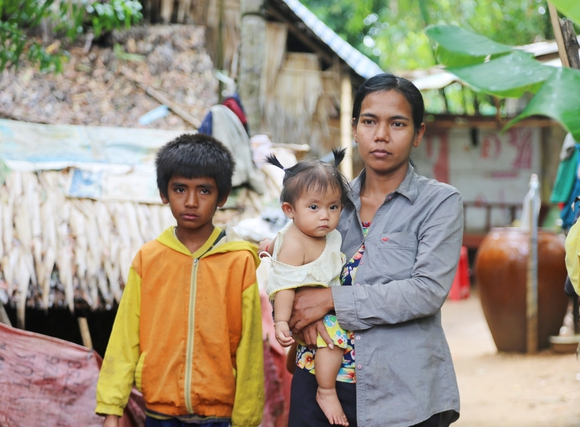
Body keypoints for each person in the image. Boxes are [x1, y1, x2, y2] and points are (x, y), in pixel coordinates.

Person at [287, 73, 463, 427]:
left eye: (397, 123)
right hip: (319, 384)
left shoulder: (439, 203)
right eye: (369, 121)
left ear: (418, 134)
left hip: (401, 395)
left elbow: (426, 291)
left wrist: (329, 300)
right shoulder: (326, 204)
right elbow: (291, 264)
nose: (381, 135)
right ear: (354, 128)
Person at [95, 134, 264, 427]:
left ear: (222, 197)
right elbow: (124, 337)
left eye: (204, 191)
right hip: (160, 412)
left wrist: (246, 420)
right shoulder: (149, 259)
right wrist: (112, 409)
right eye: (180, 189)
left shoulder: (239, 261)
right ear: (164, 193)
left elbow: (250, 348)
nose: (191, 201)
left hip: (219, 416)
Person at [262, 149, 350, 426]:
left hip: (323, 302)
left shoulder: (331, 235)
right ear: (289, 210)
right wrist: (281, 323)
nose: (325, 215)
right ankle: (326, 391)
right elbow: (284, 287)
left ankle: (299, 360)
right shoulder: (294, 244)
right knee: (334, 340)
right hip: (305, 309)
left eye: (333, 207)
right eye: (314, 207)